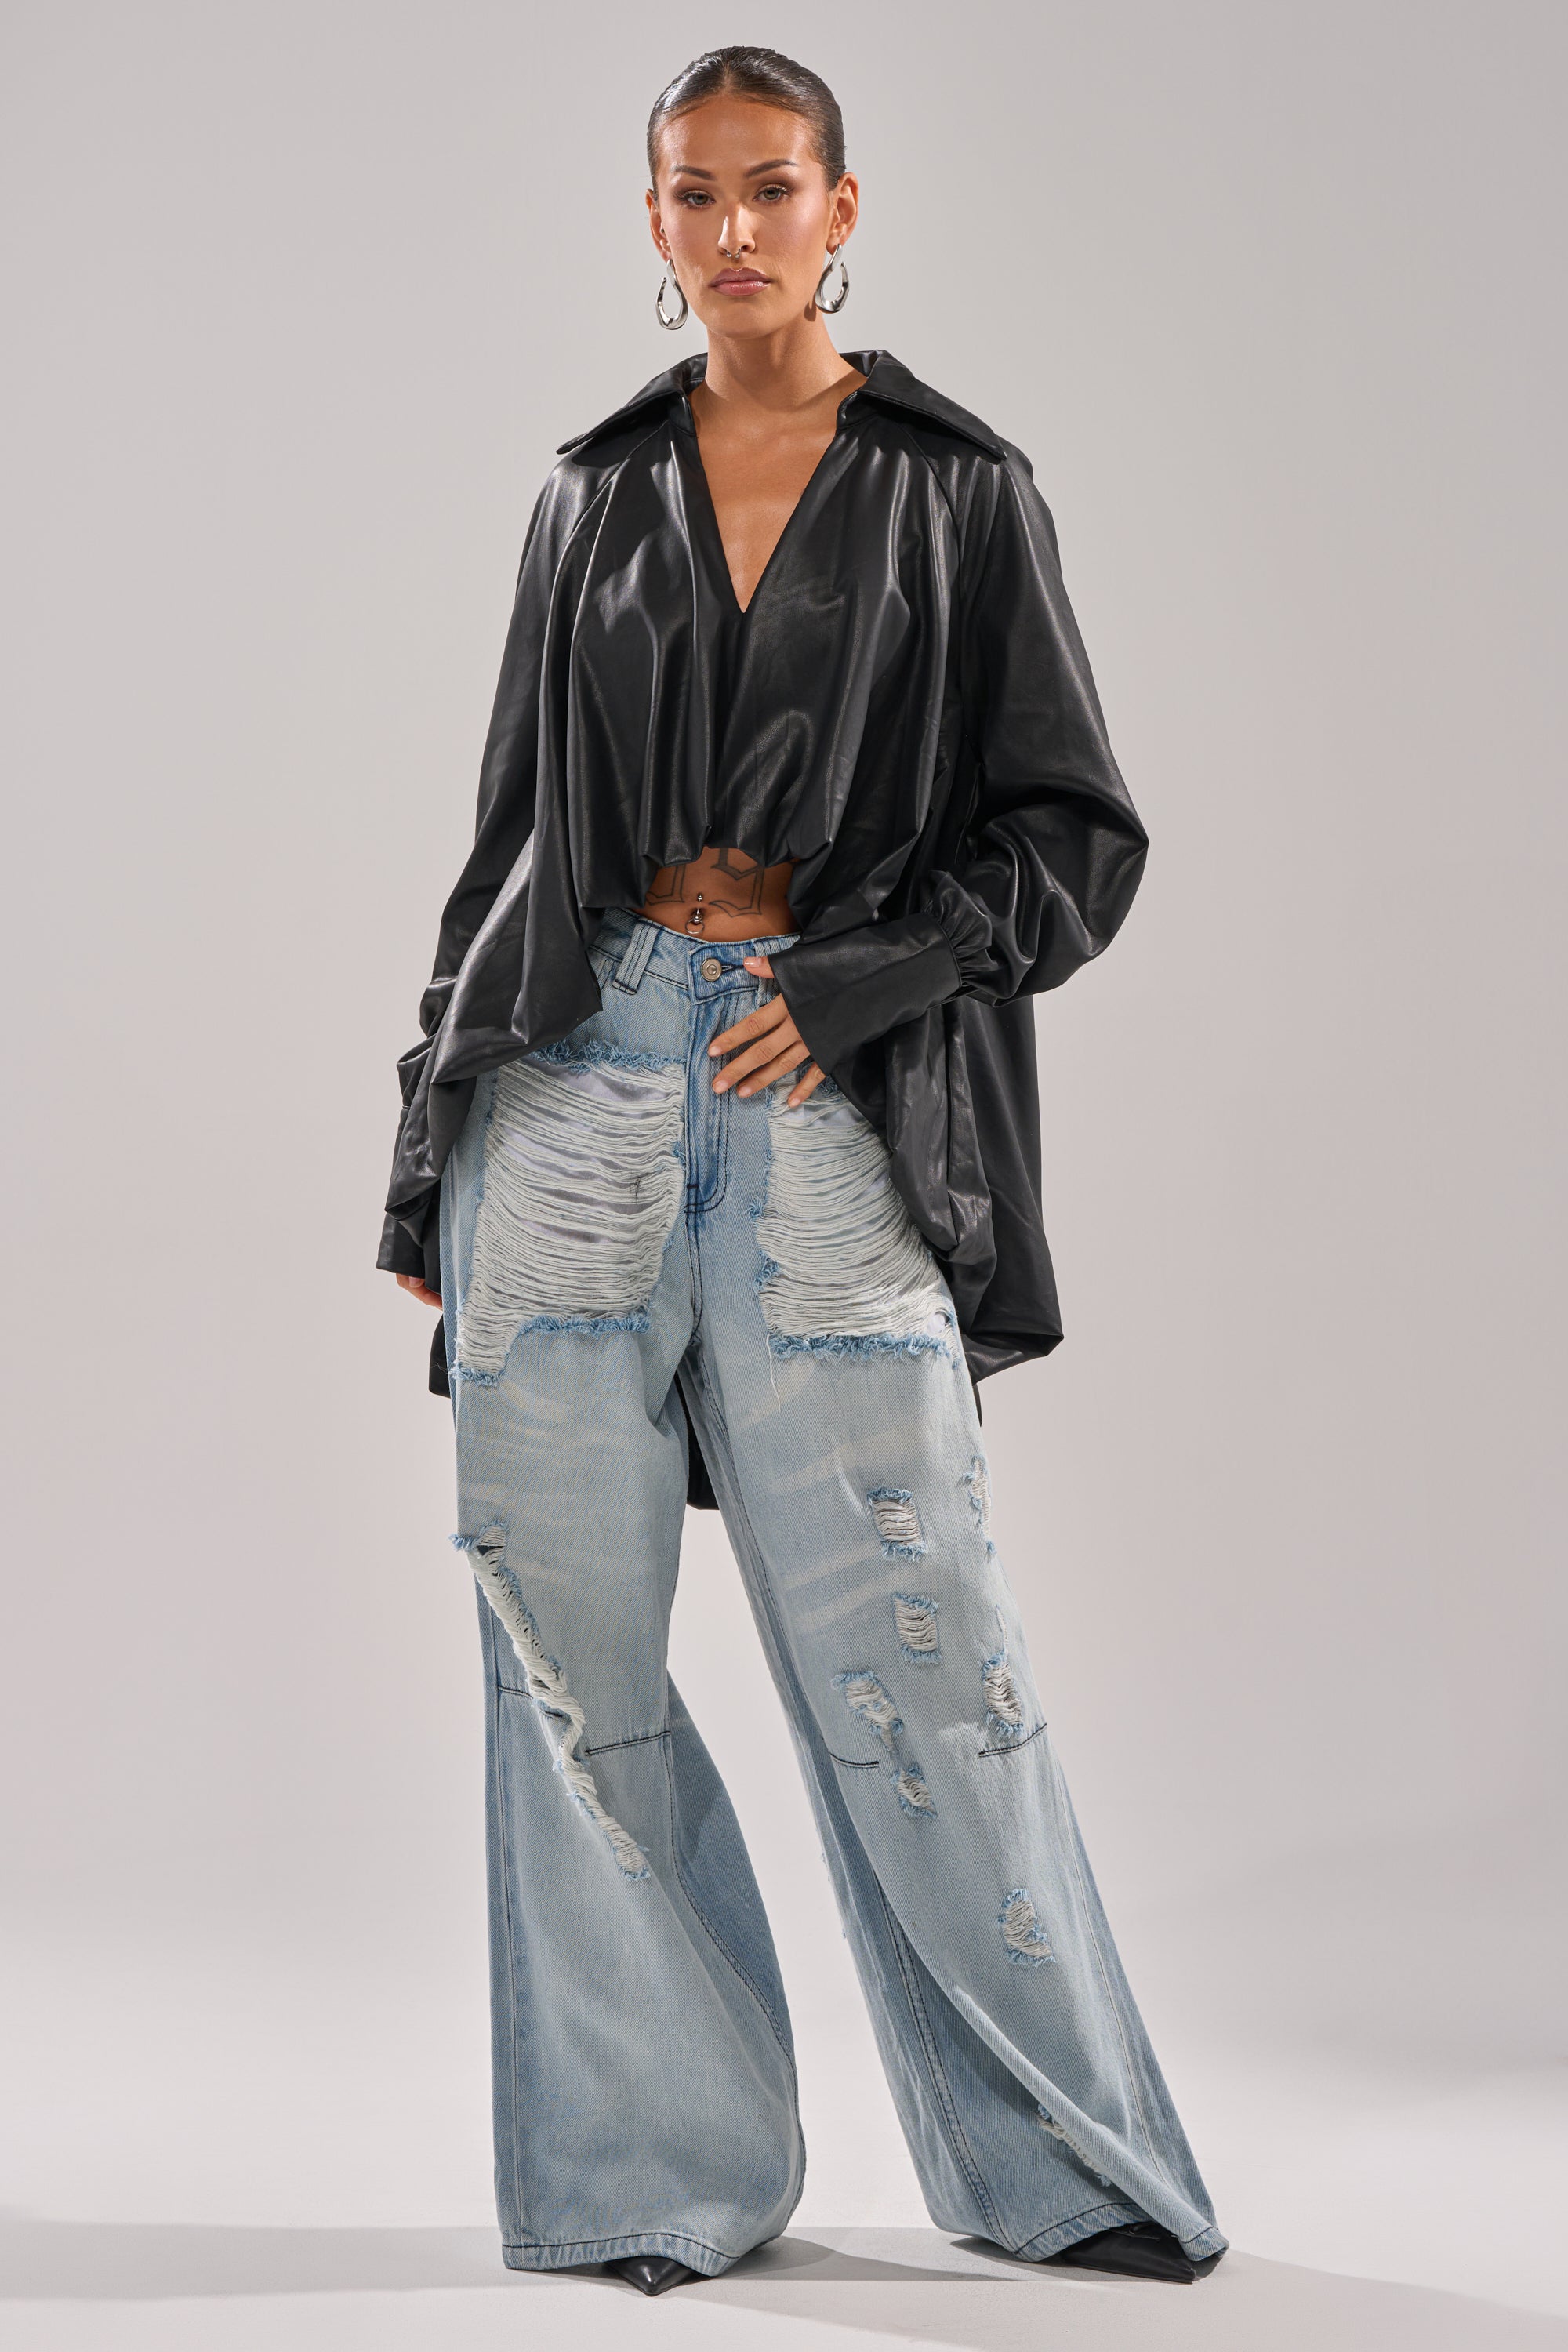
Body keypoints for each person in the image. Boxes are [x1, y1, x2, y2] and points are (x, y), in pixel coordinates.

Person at [379, 45, 1226, 2298]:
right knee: (563, 1665)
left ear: (844, 207)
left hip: (814, 1094)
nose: (734, 229)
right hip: (564, 1088)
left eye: (772, 190)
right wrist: (417, 1156)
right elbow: (508, 842)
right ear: (652, 226)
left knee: (920, 1642)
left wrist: (870, 976)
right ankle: (657, 2179)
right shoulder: (588, 497)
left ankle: (1065, 2167)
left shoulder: (961, 493)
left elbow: (1078, 840)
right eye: (693, 196)